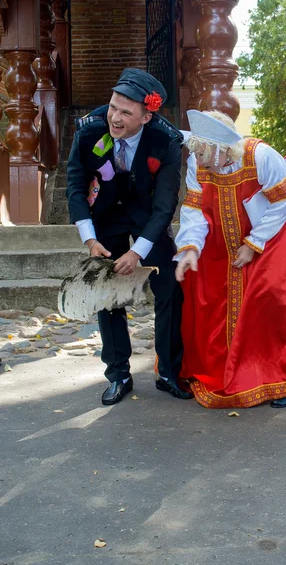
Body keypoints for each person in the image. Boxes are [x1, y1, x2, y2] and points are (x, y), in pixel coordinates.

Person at [66, 69, 192, 404]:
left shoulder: (166, 141)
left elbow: (166, 204)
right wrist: (90, 239)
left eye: (126, 112)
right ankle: (119, 374)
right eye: (112, 107)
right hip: (105, 219)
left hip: (148, 219)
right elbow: (76, 186)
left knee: (170, 290)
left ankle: (168, 371)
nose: (115, 118)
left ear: (147, 116)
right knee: (108, 297)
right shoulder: (89, 130)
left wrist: (138, 252)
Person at [174, 110, 286, 409]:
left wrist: (254, 242)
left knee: (269, 293)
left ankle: (279, 378)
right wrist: (191, 246)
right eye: (196, 153)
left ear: (222, 148)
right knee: (205, 283)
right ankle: (221, 366)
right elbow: (195, 208)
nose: (199, 161)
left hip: (274, 224)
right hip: (224, 222)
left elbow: (283, 203)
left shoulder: (261, 156)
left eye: (204, 153)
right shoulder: (199, 160)